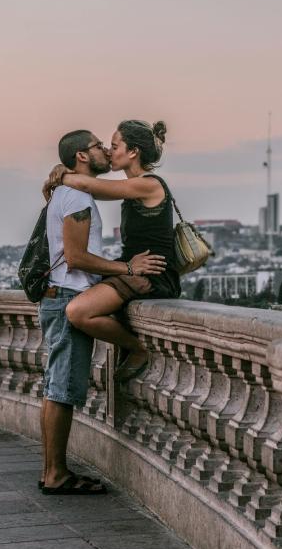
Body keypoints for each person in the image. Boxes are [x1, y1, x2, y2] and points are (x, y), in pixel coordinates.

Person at [39, 128, 166, 495]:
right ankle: (56, 475)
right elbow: (77, 258)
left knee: (54, 388)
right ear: (82, 155)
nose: (105, 153)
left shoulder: (67, 192)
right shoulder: (77, 198)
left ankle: (51, 469)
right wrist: (127, 269)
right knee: (61, 389)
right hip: (68, 295)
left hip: (58, 293)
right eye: (98, 147)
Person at [43, 119, 181, 383]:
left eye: (115, 146)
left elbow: (87, 187)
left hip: (151, 274)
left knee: (77, 311)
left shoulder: (149, 184)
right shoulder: (132, 188)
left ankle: (137, 348)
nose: (109, 152)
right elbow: (91, 190)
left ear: (133, 152)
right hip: (136, 267)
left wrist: (61, 174)